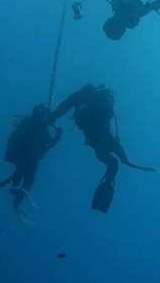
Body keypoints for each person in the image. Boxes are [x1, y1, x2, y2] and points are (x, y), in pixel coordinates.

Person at [49, 84, 154, 213]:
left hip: (96, 138)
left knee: (111, 161)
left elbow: (64, 107)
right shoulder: (102, 99)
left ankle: (106, 189)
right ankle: (109, 184)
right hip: (105, 138)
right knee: (114, 163)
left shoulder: (80, 97)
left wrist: (51, 117)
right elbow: (109, 119)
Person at [4, 104, 63, 223]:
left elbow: (47, 144)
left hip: (27, 158)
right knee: (26, 182)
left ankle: (17, 200)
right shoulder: (37, 126)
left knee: (25, 182)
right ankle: (17, 198)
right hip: (27, 158)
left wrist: (56, 137)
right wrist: (58, 136)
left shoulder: (33, 124)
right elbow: (49, 144)